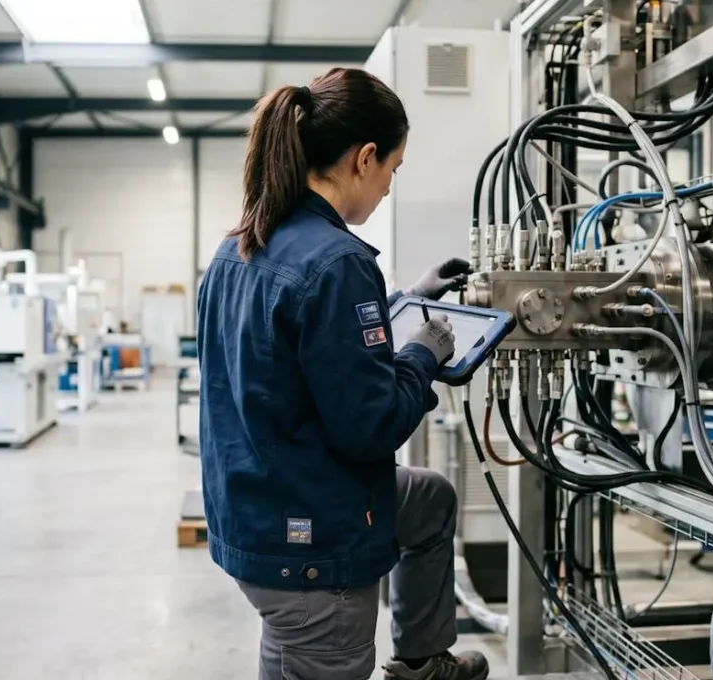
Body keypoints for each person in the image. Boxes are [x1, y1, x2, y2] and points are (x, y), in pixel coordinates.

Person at [196, 67, 488, 680]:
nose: (386, 190)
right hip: (312, 542)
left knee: (429, 499)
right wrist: (422, 355)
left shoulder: (241, 245)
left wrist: (408, 296)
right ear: (364, 159)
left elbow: (299, 343)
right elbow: (372, 426)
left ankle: (420, 661)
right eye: (392, 171)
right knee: (313, 647)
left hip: (256, 507)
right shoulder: (339, 263)